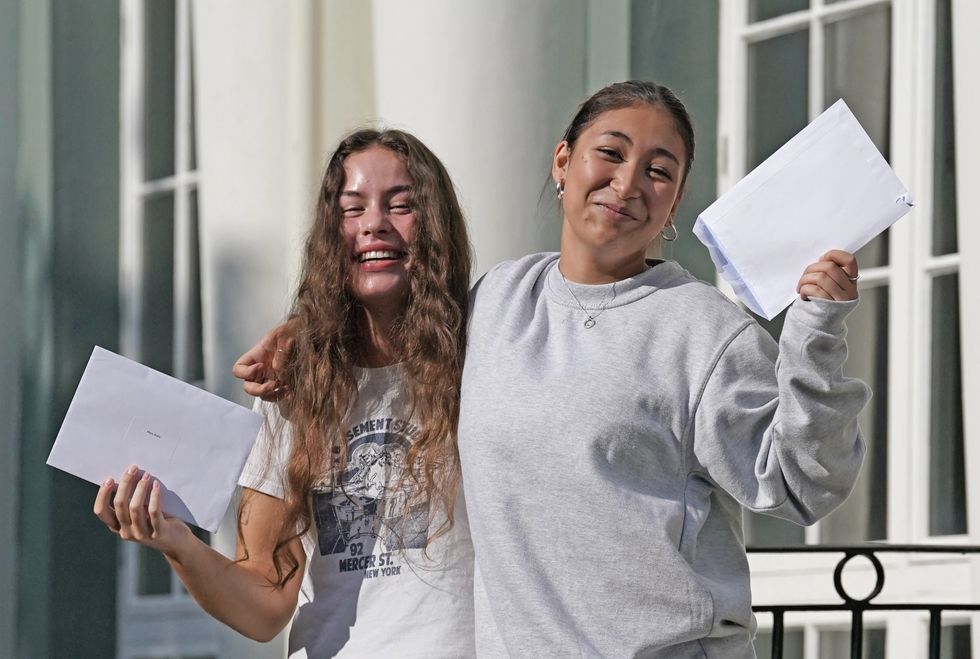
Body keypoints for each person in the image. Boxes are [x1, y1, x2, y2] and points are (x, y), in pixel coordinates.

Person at [238, 81, 870, 657]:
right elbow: (402, 312)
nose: (627, 185)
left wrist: (816, 335)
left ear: (674, 201)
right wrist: (303, 338)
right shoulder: (496, 304)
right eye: (611, 154)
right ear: (563, 163)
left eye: (659, 171)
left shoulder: (703, 332)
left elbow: (801, 485)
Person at [94, 128, 476, 658]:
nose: (374, 225)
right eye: (351, 209)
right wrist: (175, 542)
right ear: (328, 235)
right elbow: (264, 603)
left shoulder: (484, 355)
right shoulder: (296, 387)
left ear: (435, 226)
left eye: (402, 205)